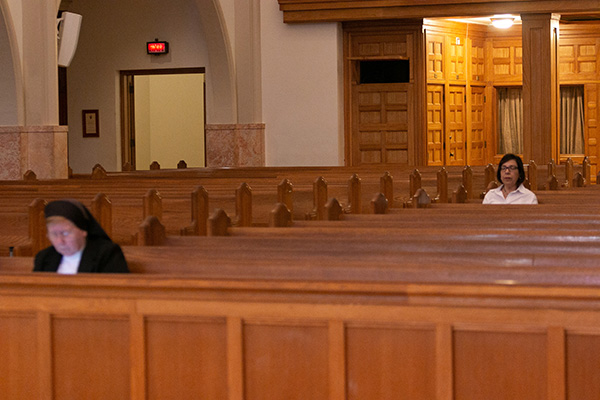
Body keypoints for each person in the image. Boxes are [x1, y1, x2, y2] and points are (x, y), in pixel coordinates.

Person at [33, 199, 129, 273]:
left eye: (65, 233)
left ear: (83, 230)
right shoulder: (44, 257)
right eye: (54, 234)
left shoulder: (107, 254)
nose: (60, 241)